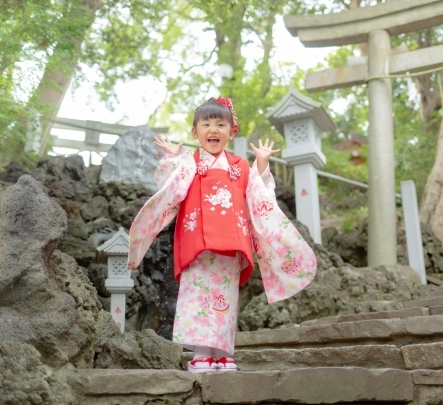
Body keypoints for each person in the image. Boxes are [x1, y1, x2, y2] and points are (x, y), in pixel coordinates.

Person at [126, 97, 317, 373]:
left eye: (220, 124)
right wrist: (172, 158)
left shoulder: (240, 166)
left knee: (224, 298)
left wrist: (261, 165)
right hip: (196, 242)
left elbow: (259, 196)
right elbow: (170, 186)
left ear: (232, 131)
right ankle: (202, 354)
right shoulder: (190, 163)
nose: (213, 129)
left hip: (230, 241)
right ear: (195, 132)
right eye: (206, 124)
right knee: (197, 294)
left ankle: (223, 353)